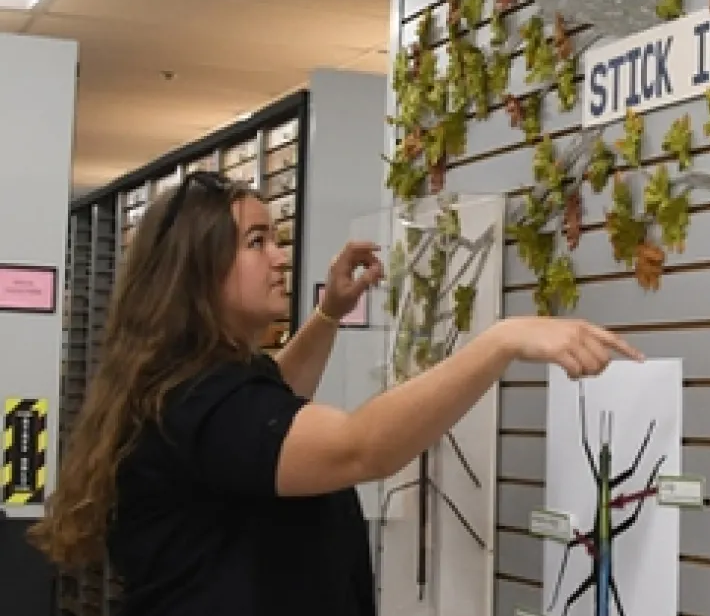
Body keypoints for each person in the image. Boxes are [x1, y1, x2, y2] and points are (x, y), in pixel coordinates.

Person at [27, 171, 641, 616]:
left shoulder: (192, 385)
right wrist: (500, 342)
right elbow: (358, 448)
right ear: (198, 268)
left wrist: (328, 315)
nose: (280, 258)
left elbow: (271, 416)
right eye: (257, 242)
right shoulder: (200, 401)